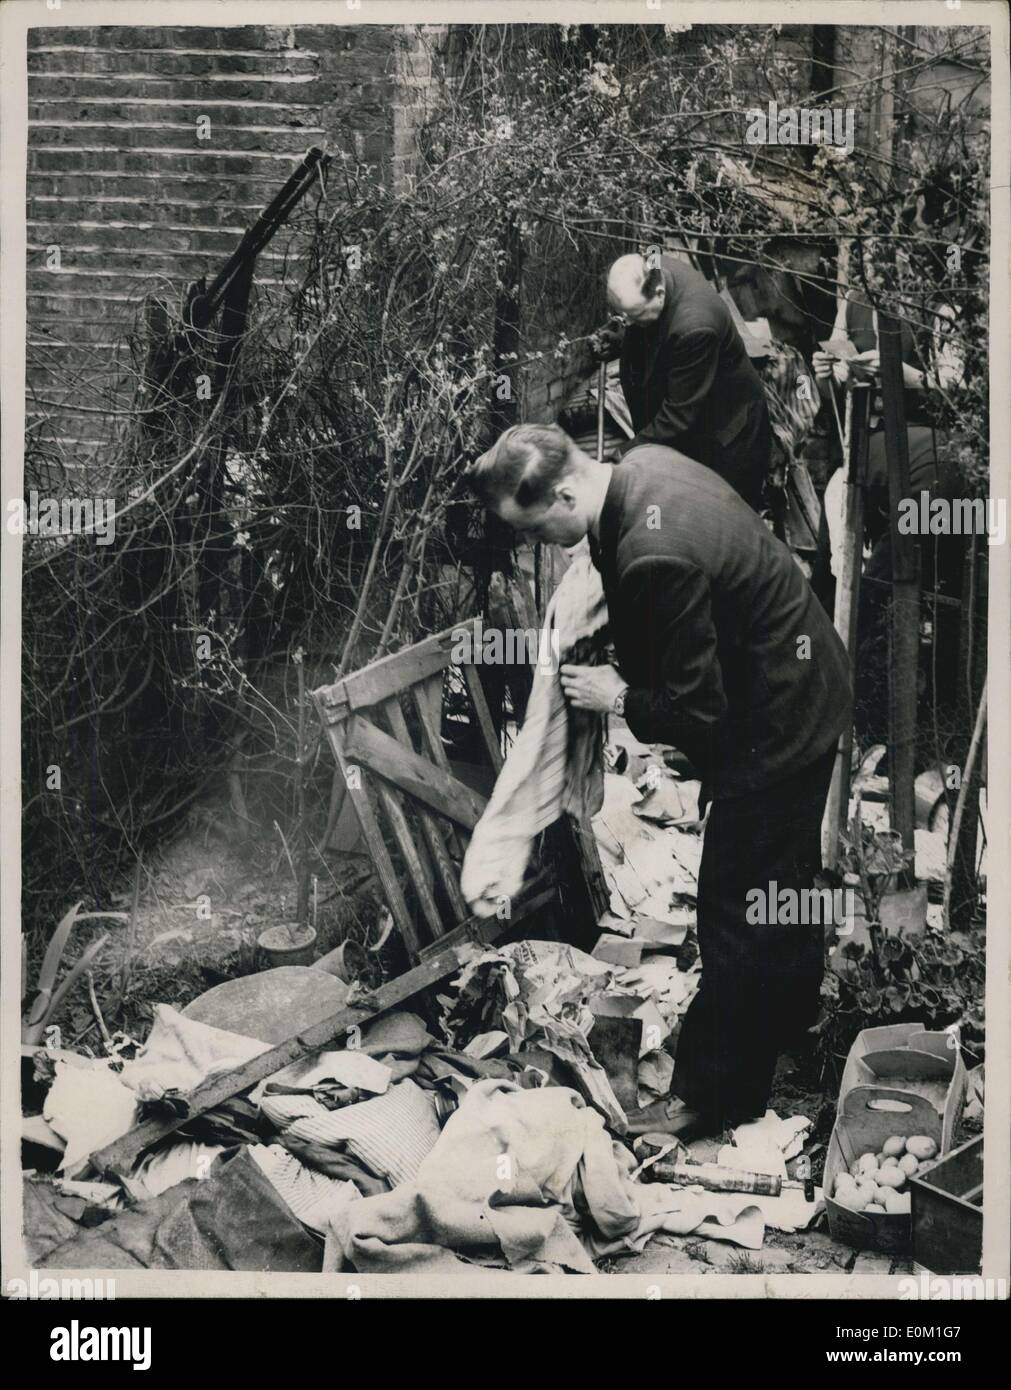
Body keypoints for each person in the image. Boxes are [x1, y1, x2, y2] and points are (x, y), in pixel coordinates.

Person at [468, 423, 852, 1140]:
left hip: (776, 724)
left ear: (564, 489)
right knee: (786, 875)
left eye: (542, 531)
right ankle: (792, 1019)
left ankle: (712, 1096)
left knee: (732, 912)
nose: (548, 547)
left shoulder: (652, 553)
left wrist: (617, 695)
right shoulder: (640, 468)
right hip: (805, 685)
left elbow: (698, 711)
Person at [811, 294, 966, 749]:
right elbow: (839, 395)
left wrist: (909, 378)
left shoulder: (942, 303)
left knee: (886, 595)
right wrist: (832, 374)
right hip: (866, 461)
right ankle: (826, 705)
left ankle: (905, 733)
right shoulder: (854, 301)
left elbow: (964, 399)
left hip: (932, 471)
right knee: (835, 585)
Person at [593, 252, 773, 510]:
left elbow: (678, 415)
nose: (628, 323)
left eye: (633, 316)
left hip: (726, 439)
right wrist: (620, 340)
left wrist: (625, 455)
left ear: (659, 293)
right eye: (623, 316)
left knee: (714, 521)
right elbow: (653, 335)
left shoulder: (696, 328)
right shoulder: (652, 270)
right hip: (695, 423)